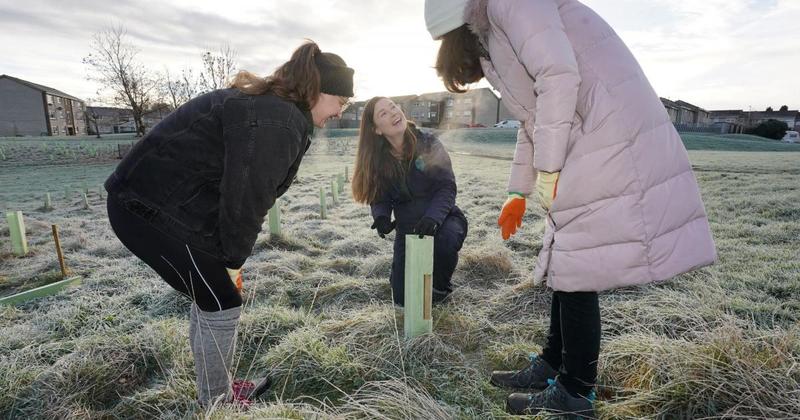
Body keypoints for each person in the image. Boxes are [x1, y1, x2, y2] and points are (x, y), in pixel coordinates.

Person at [425, 0, 717, 416]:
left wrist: (548, 167)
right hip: (586, 134)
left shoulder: (511, 3)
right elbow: (534, 117)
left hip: (605, 133)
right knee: (567, 260)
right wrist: (519, 190)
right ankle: (552, 365)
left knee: (577, 264)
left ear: (460, 36)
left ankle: (574, 392)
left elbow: (559, 77)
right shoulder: (496, 27)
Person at [104, 41, 354, 407]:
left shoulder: (276, 110)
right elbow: (247, 197)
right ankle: (217, 403)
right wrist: (232, 260)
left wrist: (225, 259)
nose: (340, 112)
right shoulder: (277, 119)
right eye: (340, 102)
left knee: (212, 297)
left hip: (160, 206)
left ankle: (216, 391)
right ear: (318, 90)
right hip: (147, 209)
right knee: (222, 301)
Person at [351, 97, 468, 307]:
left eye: (393, 107)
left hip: (444, 219)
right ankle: (401, 274)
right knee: (402, 298)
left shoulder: (428, 144)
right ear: (376, 130)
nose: (394, 113)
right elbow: (379, 196)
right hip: (409, 229)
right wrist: (381, 216)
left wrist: (433, 218)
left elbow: (446, 186)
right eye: (383, 113)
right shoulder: (379, 159)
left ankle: (440, 287)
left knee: (445, 242)